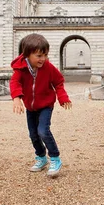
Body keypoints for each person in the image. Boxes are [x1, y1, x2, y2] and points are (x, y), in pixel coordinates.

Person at [10, 33, 72, 177]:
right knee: (33, 134)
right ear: (27, 55)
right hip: (30, 107)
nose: (42, 59)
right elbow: (15, 82)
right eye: (39, 56)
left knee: (43, 130)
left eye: (44, 55)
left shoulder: (48, 67)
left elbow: (58, 82)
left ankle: (55, 158)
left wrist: (62, 97)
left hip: (46, 104)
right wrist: (17, 98)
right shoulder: (21, 69)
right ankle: (41, 157)